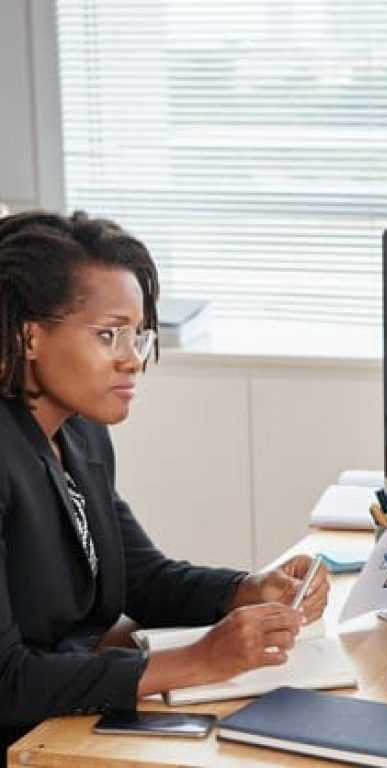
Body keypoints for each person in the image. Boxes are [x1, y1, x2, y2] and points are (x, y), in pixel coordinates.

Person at [0, 210, 330, 760]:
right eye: (109, 335)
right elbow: (7, 680)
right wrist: (199, 658)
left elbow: (143, 580)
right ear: (28, 335)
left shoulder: (79, 434)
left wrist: (247, 590)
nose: (132, 359)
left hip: (67, 720)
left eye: (138, 335)